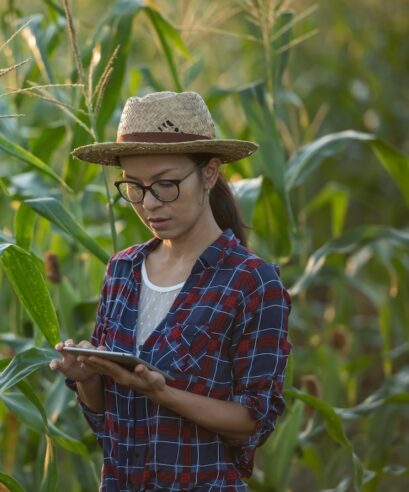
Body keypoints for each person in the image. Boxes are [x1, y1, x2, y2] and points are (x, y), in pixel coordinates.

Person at [49, 91, 291, 491]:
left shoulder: (251, 281)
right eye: (134, 188)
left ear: (209, 173)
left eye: (166, 185)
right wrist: (87, 378)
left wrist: (164, 394)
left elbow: (253, 420)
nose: (149, 204)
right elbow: (110, 420)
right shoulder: (122, 270)